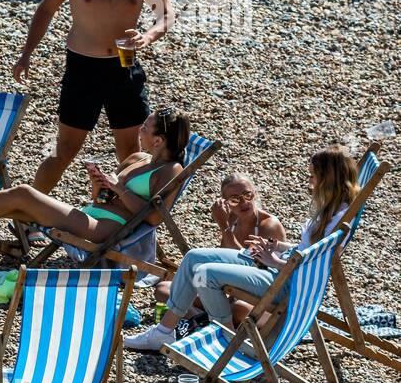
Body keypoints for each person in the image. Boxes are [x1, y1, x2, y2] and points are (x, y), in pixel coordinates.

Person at [126, 145, 358, 350]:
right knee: (193, 256)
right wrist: (276, 246)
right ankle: (163, 332)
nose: (310, 182)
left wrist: (274, 261)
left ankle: (225, 340)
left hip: (287, 281)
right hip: (284, 268)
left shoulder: (340, 218)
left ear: (327, 178)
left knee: (206, 275)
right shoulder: (334, 210)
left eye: (313, 176)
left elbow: (319, 261)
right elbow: (309, 249)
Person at [13, 0, 174, 194]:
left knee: (131, 152)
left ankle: (128, 224)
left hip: (124, 67)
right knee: (65, 149)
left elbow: (164, 13)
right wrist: (26, 55)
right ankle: (28, 220)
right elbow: (46, 9)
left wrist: (149, 36)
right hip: (83, 67)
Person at [0, 111, 190, 252]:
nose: (139, 131)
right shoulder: (138, 159)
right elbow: (103, 198)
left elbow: (152, 217)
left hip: (105, 231)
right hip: (92, 213)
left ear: (159, 140)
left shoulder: (170, 171)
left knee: (23, 194)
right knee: (12, 208)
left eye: (145, 129)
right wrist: (99, 185)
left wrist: (118, 187)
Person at [152, 171, 287, 309]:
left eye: (248, 195)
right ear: (226, 203)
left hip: (258, 294)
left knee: (239, 308)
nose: (244, 202)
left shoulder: (268, 225)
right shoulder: (232, 221)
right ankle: (199, 317)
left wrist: (224, 227)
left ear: (255, 193)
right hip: (228, 288)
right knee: (163, 289)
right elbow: (224, 257)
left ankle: (199, 317)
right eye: (235, 199)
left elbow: (249, 264)